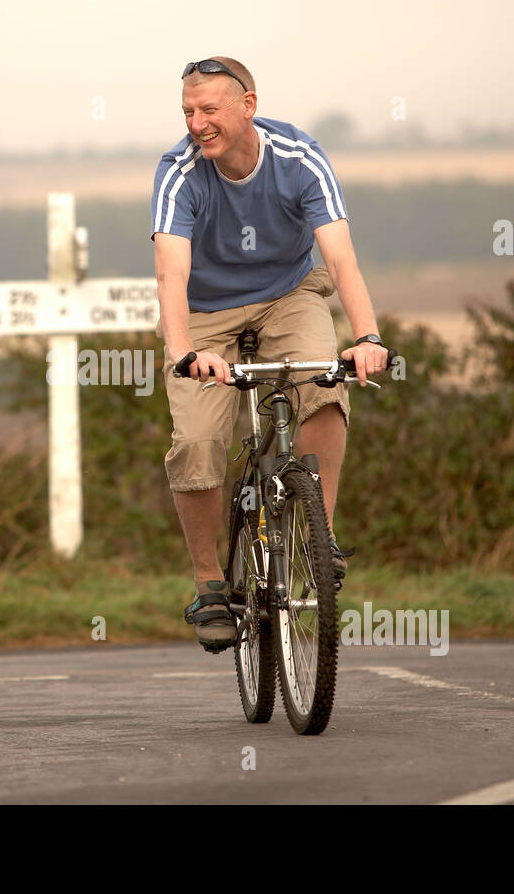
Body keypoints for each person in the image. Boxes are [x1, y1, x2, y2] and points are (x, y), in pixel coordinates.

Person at [151, 57, 389, 652]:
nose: (197, 124)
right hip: (205, 315)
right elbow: (171, 273)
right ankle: (209, 580)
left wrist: (367, 337)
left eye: (209, 110)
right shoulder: (179, 172)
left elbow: (340, 258)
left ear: (248, 106)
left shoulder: (298, 157)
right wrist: (183, 352)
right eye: (188, 111)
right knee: (199, 441)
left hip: (288, 296)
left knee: (326, 387)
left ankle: (318, 533)